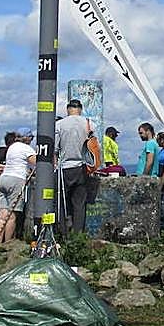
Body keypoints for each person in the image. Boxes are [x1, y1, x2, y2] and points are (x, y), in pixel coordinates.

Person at [54, 99, 100, 234]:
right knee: (79, 204)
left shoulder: (59, 125)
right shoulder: (89, 124)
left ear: (68, 109)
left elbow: (55, 150)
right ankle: (77, 235)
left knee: (61, 203)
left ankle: (62, 233)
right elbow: (96, 148)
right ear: (81, 109)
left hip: (64, 167)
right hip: (82, 167)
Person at [0, 128, 36, 245]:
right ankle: (7, 245)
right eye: (31, 138)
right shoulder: (26, 148)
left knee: (3, 214)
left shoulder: (12, 147)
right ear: (26, 138)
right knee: (12, 216)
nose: (32, 140)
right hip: (16, 180)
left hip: (3, 178)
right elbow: (37, 163)